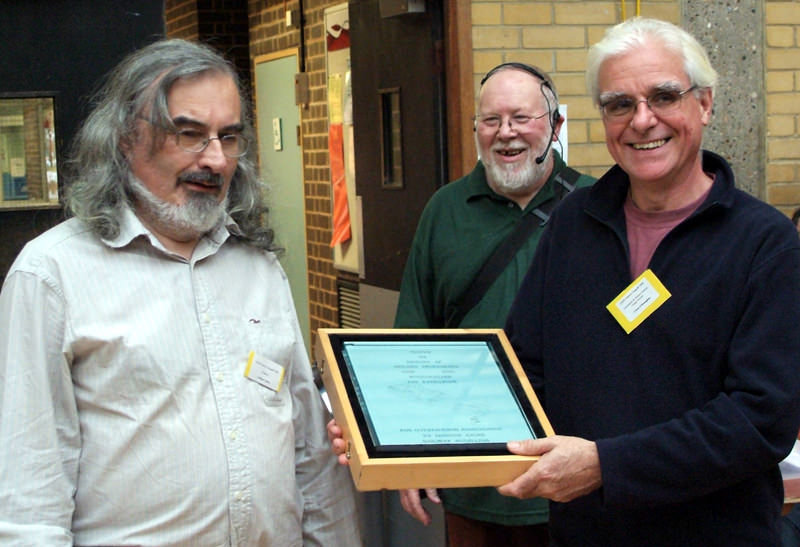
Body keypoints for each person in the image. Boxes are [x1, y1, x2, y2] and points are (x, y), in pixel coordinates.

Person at [0, 39, 360, 545]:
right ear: (126, 138)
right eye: (189, 134)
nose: (214, 159)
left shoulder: (257, 267)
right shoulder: (51, 275)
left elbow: (310, 452)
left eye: (228, 137)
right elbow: (30, 491)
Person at [499, 17, 800, 545]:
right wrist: (392, 429)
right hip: (584, 535)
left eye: (664, 96)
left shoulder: (765, 243)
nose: (642, 120)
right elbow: (524, 371)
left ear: (704, 104)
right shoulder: (572, 226)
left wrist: (605, 466)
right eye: (620, 104)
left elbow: (761, 418)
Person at [329, 62, 595, 545]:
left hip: (579, 480)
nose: (506, 133)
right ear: (476, 129)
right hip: (474, 481)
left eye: (522, 118)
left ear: (555, 125)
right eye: (491, 120)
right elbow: (412, 338)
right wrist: (409, 457)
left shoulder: (598, 206)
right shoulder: (445, 210)